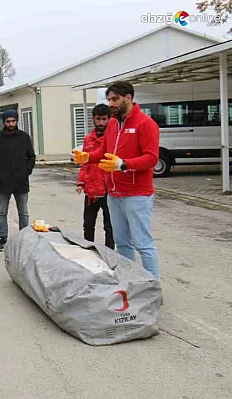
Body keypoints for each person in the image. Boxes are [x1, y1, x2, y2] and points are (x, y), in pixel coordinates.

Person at [73, 81, 160, 279]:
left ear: (128, 98)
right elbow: (104, 152)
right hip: (113, 193)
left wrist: (123, 164)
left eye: (115, 99)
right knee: (122, 242)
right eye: (109, 99)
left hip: (137, 194)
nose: (111, 103)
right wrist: (88, 157)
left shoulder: (146, 124)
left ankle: (153, 287)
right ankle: (129, 281)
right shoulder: (113, 124)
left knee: (143, 244)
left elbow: (151, 158)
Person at [0, 110, 36, 252]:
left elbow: (31, 157)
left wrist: (26, 171)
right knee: (2, 213)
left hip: (21, 181)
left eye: (13, 121)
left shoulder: (24, 138)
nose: (11, 124)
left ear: (17, 121)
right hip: (3, 182)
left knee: (23, 213)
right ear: (4, 122)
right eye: (8, 121)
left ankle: (24, 239)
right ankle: (2, 239)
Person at [76, 104, 115, 249]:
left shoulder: (112, 139)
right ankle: (88, 251)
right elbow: (84, 163)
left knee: (109, 226)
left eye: (104, 119)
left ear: (109, 119)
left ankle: (109, 253)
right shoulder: (88, 139)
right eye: (98, 119)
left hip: (107, 189)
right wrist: (81, 182)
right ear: (93, 119)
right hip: (91, 189)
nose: (101, 123)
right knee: (88, 224)